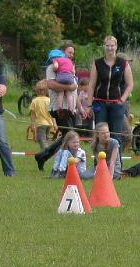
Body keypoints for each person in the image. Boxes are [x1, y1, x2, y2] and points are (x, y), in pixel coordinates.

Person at [35, 42, 79, 170]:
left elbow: (74, 91)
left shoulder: (70, 66)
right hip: (59, 108)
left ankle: (43, 156)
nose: (71, 55)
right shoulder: (52, 67)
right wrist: (70, 86)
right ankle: (69, 166)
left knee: (68, 136)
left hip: (70, 108)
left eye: (73, 53)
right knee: (70, 136)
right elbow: (51, 85)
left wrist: (80, 107)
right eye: (69, 52)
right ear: (62, 52)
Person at [85, 35, 134, 143]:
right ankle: (99, 159)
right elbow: (91, 85)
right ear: (104, 46)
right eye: (107, 45)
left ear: (116, 46)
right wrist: (88, 105)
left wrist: (122, 100)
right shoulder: (97, 63)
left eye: (112, 45)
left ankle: (117, 160)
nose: (110, 48)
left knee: (116, 135)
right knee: (100, 134)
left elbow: (130, 84)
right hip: (100, 103)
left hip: (116, 104)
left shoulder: (123, 63)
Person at [29, 80, 56, 152]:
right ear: (47, 91)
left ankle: (46, 152)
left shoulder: (35, 101)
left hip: (40, 124)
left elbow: (32, 114)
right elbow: (52, 114)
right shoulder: (49, 100)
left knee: (41, 139)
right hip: (49, 123)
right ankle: (50, 150)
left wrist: (32, 124)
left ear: (36, 91)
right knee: (46, 138)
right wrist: (54, 124)